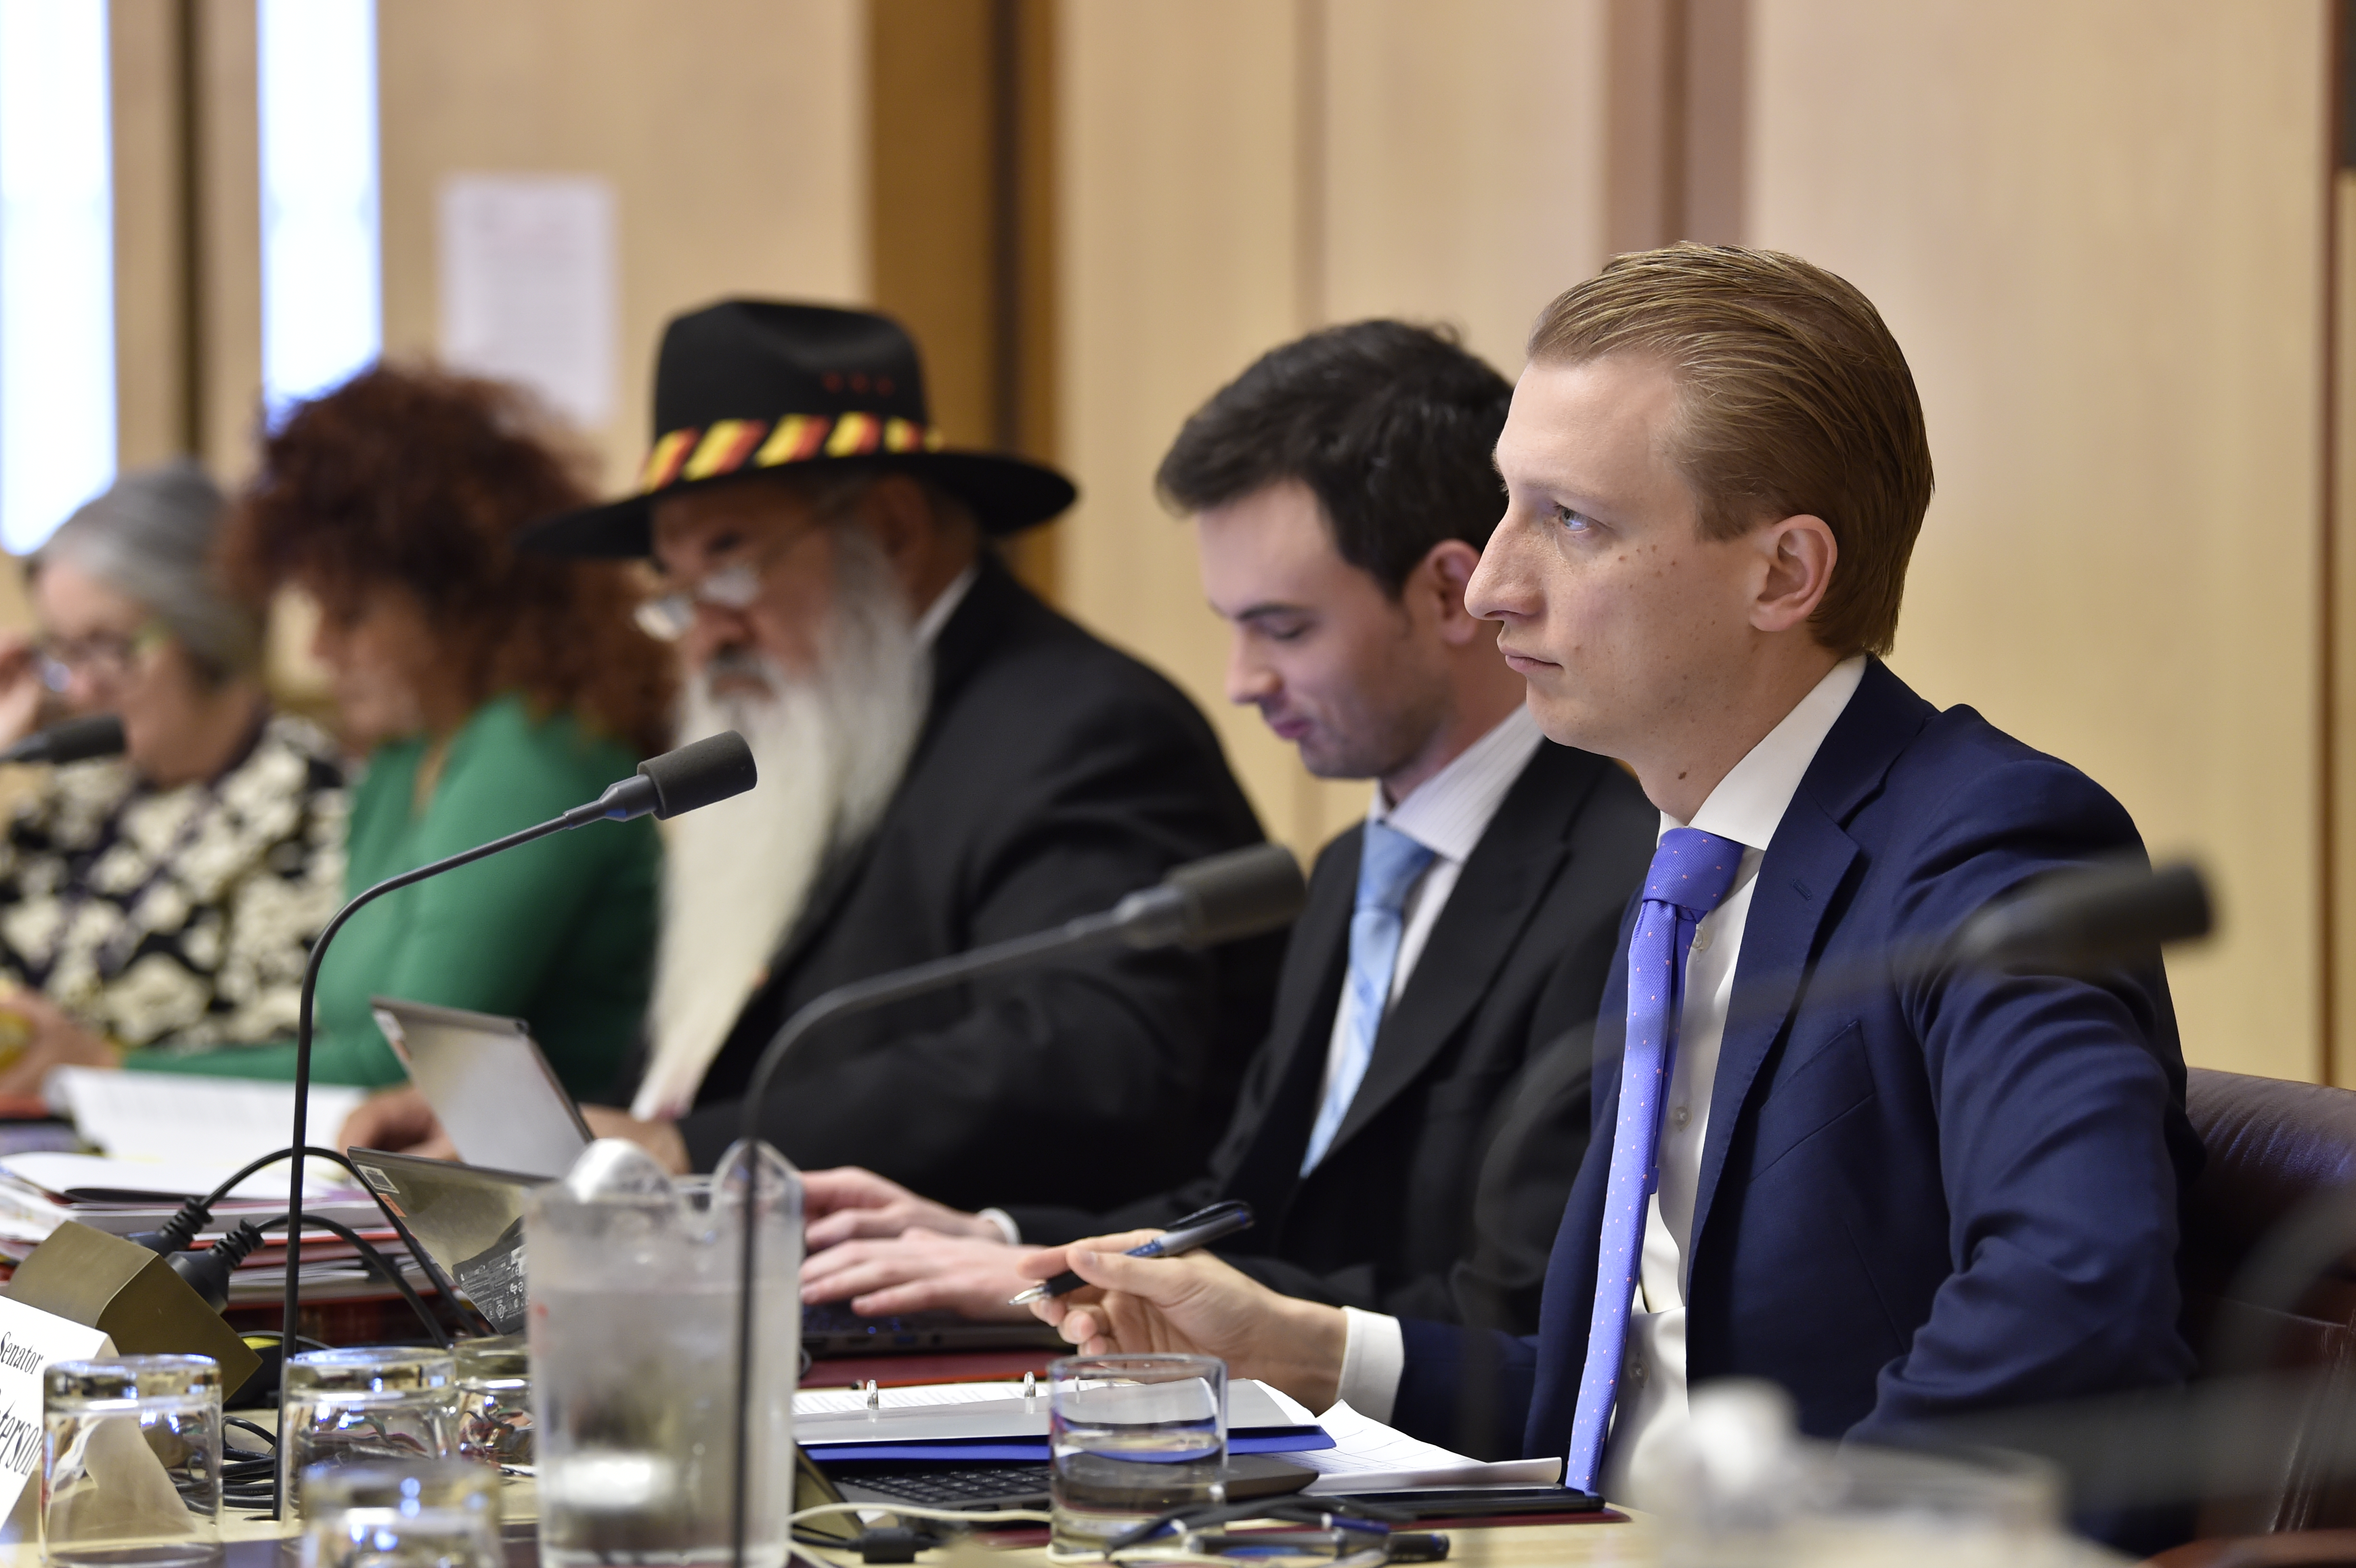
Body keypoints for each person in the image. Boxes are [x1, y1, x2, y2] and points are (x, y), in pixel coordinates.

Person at [1015, 246, 2201, 1518]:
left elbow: (2074, 1300)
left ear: (1783, 573)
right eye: (1506, 506)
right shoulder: (1687, 863)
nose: (1491, 581)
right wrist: (1300, 1346)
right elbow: (1620, 1404)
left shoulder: (1991, 844)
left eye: (1571, 522)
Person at [794, 320, 1656, 1335]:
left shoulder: (1627, 873)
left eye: (1283, 629)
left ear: (1447, 592)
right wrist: (1002, 1241)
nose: (1242, 682)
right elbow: (1244, 1207)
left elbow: (1518, 1315)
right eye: (1232, 624)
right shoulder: (1349, 870)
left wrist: (1072, 1283)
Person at [344, 301, 1281, 1213]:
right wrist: (527, 1129)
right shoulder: (821, 721)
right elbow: (729, 1063)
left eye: (731, 562)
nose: (704, 635)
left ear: (892, 531)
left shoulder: (1084, 727)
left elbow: (1088, 1051)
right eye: (675, 589)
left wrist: (693, 1153)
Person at [143, 364, 673, 1096]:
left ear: (459, 605)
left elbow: (400, 1066)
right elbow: (348, 1040)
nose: (318, 651)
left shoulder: (531, 755)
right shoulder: (405, 758)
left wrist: (107, 1070)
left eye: (352, 615)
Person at [0, 462, 345, 1091]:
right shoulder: (78, 796)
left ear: (206, 627)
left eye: (108, 646)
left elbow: (302, 1060)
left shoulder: (313, 806)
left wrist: (101, 1065)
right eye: (62, 652)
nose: (79, 687)